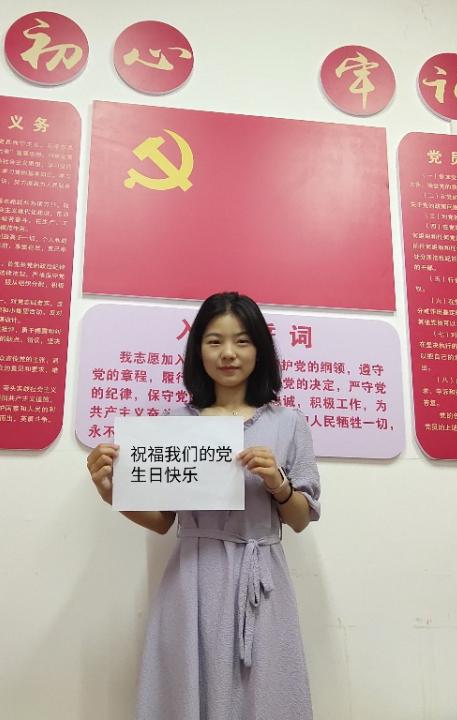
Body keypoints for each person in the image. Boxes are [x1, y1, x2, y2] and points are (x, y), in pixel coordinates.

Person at [86, 291, 321, 720]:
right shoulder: (177, 422)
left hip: (260, 577)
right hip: (193, 575)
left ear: (260, 350)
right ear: (198, 349)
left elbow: (301, 519)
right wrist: (113, 494)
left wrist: (279, 484)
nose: (228, 353)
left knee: (265, 693)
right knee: (187, 692)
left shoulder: (288, 423)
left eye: (242, 341)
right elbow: (163, 521)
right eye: (214, 341)